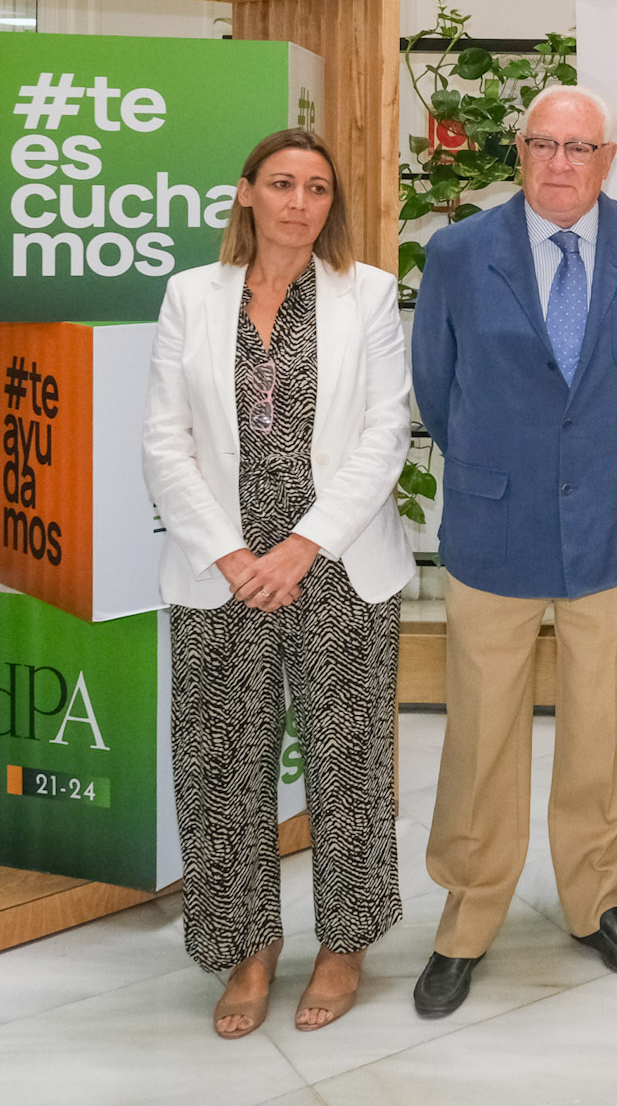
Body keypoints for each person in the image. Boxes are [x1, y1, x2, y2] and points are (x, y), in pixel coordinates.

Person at [409, 84, 617, 1016]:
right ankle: (468, 913)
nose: (560, 163)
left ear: (608, 158)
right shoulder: (457, 252)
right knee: (483, 725)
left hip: (608, 516)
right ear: (518, 152)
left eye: (579, 147)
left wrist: (592, 460)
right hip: (493, 521)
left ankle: (599, 899)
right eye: (543, 144)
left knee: (603, 724)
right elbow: (437, 390)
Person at [142, 128, 411, 1038]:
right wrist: (229, 552)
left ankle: (344, 944)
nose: (301, 201)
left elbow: (384, 431)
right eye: (283, 183)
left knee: (349, 765)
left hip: (336, 565)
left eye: (319, 188)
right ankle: (247, 947)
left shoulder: (368, 293)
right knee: (222, 764)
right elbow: (163, 439)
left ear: (332, 205)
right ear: (247, 192)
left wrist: (302, 544)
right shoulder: (190, 295)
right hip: (220, 573)